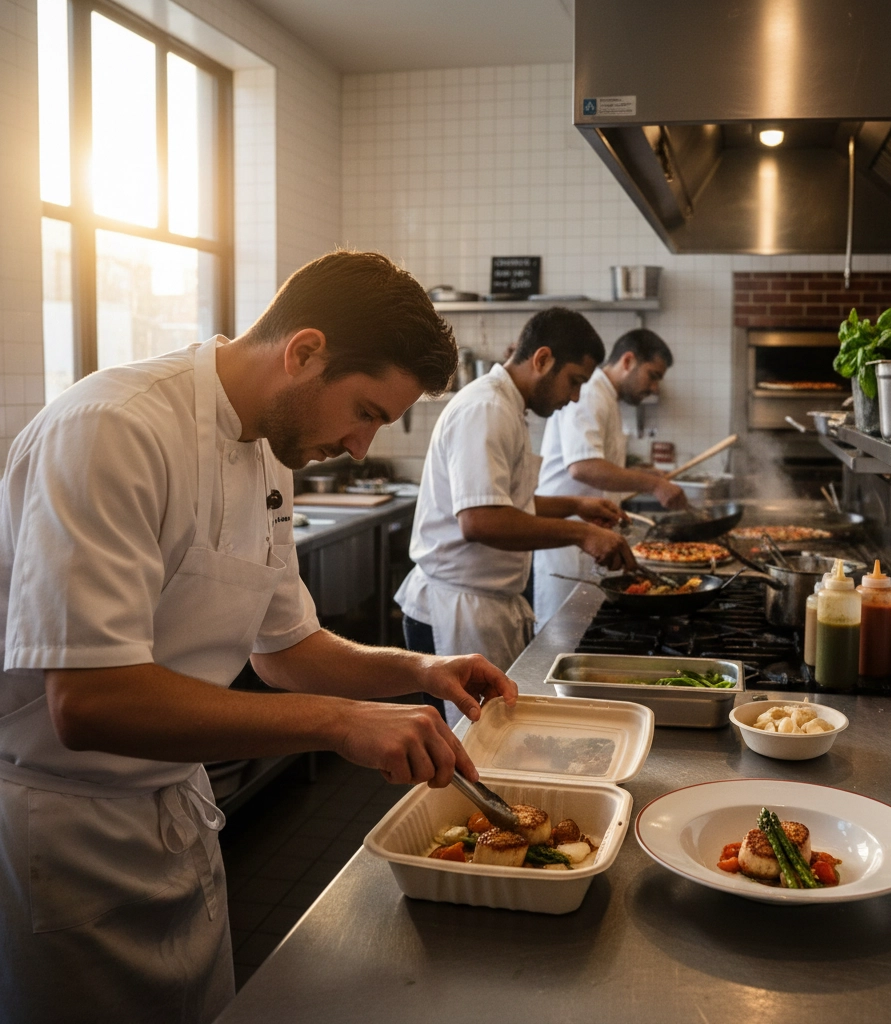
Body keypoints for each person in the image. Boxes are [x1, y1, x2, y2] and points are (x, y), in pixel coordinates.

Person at [0, 250, 517, 1024]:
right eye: (368, 411)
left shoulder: (268, 457)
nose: (359, 447)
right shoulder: (113, 428)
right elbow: (89, 701)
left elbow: (284, 650)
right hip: (66, 834)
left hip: (173, 812)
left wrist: (422, 667)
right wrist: (340, 722)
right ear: (304, 351)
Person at [396, 308, 636, 695]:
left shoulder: (507, 407)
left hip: (482, 607)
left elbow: (508, 503)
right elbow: (480, 521)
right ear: (542, 359)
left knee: (489, 743)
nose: (575, 398)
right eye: (574, 382)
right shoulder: (487, 408)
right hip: (458, 612)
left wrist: (576, 505)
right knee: (468, 747)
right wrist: (580, 533)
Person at [533, 327, 687, 627]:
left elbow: (597, 462)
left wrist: (642, 473)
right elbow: (583, 466)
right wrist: (654, 484)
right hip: (568, 543)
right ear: (628, 361)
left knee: (581, 632)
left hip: (589, 539)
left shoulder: (606, 396)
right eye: (653, 375)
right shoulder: (590, 392)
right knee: (561, 636)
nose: (655, 388)